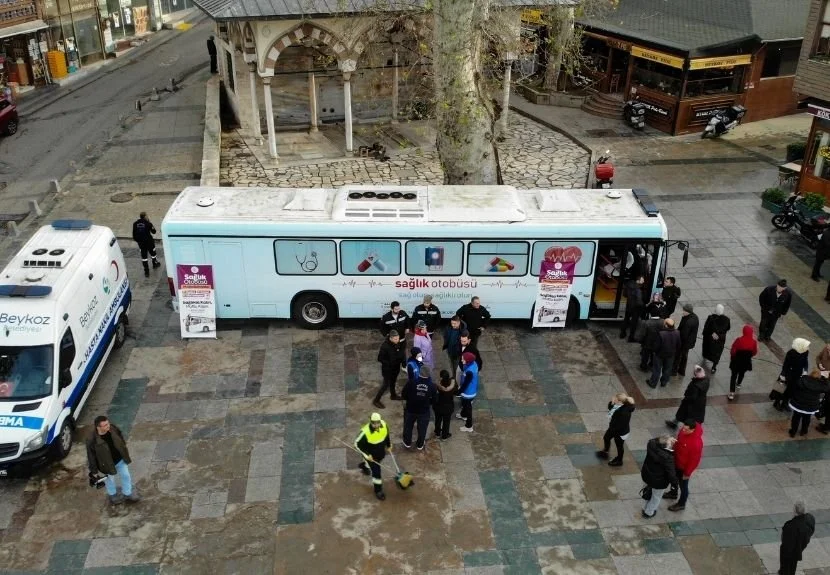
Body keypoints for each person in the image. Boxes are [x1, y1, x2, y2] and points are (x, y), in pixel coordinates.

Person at [86, 416, 140, 505]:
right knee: (109, 480)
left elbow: (120, 435)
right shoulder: (91, 440)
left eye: (108, 423)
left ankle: (127, 492)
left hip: (120, 460)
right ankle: (112, 495)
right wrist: (94, 471)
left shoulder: (113, 428)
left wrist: (123, 446)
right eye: (105, 425)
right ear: (98, 427)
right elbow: (91, 456)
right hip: (106, 464)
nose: (108, 426)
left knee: (126, 475)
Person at [665, 420, 703, 512]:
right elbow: (679, 441)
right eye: (683, 428)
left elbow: (694, 461)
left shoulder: (696, 443)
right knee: (673, 479)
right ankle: (673, 492)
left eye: (686, 430)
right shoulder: (683, 431)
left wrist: (687, 473)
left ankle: (682, 503)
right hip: (676, 461)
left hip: (683, 468)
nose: (683, 431)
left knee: (684, 486)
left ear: (693, 430)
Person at [354, 412, 392, 500]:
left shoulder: (384, 425)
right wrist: (367, 455)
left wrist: (389, 445)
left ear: (380, 421)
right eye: (373, 423)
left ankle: (364, 466)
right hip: (371, 457)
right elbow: (356, 444)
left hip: (380, 453)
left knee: (374, 463)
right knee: (377, 473)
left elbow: (386, 436)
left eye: (377, 422)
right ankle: (378, 490)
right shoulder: (365, 432)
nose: (376, 425)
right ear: (370, 422)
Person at [640, 435, 678, 518]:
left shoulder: (651, 445)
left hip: (647, 475)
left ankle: (644, 507)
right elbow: (671, 474)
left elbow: (654, 440)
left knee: (647, 491)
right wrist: (675, 484)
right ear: (666, 446)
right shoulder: (668, 458)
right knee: (656, 497)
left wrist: (665, 439)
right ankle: (649, 512)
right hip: (659, 482)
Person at [401, 365, 437, 450]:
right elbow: (435, 400)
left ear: (420, 372)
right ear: (429, 374)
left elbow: (404, 394)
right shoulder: (432, 386)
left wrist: (410, 399)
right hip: (424, 411)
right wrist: (428, 403)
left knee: (408, 426)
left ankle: (407, 442)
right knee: (422, 428)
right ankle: (420, 444)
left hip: (410, 409)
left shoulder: (411, 382)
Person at [595, 393, 635, 467]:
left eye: (615, 398)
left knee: (619, 447)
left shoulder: (623, 412)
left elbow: (619, 423)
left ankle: (619, 460)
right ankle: (605, 452)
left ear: (619, 401)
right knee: (606, 438)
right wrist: (612, 402)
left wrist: (612, 403)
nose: (613, 398)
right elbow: (611, 408)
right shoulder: (620, 406)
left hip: (620, 432)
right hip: (614, 428)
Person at [787, 369, 828, 438]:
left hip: (798, 404)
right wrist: (825, 379)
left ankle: (793, 432)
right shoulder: (819, 384)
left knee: (796, 418)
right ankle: (804, 431)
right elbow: (827, 388)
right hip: (810, 406)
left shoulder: (803, 379)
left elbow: (796, 384)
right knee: (807, 418)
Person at [779, 501, 815, 575]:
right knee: (793, 565)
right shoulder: (810, 519)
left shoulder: (790, 526)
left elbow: (785, 542)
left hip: (788, 551)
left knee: (786, 567)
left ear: (795, 511)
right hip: (799, 548)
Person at [776, 338, 811, 411]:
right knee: (782, 389)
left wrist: (805, 370)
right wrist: (783, 375)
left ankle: (785, 403)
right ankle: (777, 402)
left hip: (797, 375)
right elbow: (786, 365)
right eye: (806, 346)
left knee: (791, 390)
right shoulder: (791, 353)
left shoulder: (805, 352)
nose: (808, 348)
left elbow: (805, 361)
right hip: (788, 373)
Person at [374, 330, 405, 408]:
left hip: (396, 367)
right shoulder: (385, 346)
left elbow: (402, 353)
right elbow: (379, 358)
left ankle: (393, 395)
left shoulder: (398, 343)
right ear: (390, 338)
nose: (397, 340)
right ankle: (376, 400)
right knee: (385, 385)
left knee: (393, 382)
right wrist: (389, 363)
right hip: (387, 369)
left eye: (398, 338)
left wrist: (403, 361)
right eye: (395, 339)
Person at [728, 325, 758, 401]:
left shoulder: (739, 340)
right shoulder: (754, 342)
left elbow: (733, 351)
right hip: (745, 362)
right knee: (742, 373)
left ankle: (731, 393)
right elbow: (754, 352)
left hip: (736, 362)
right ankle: (738, 384)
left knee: (733, 376)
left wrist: (733, 356)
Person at [648, 318, 680, 388]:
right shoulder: (677, 332)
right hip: (670, 355)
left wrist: (654, 351)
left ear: (666, 325)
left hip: (660, 355)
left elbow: (656, 346)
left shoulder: (661, 334)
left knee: (657, 369)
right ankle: (664, 382)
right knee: (667, 369)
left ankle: (653, 383)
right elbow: (678, 345)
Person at [701, 304, 731, 374]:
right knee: (717, 353)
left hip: (710, 338)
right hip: (720, 339)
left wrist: (712, 333)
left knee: (707, 348)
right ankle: (714, 367)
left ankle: (705, 356)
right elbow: (728, 328)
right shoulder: (727, 319)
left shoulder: (711, 318)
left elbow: (706, 328)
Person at [132, 211, 161, 278]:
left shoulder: (135, 224)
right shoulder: (148, 223)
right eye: (147, 216)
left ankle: (146, 272)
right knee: (153, 253)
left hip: (141, 244)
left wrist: (139, 241)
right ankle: (154, 263)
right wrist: (149, 222)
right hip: (149, 242)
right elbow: (154, 232)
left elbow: (134, 235)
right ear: (145, 216)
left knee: (144, 258)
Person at [673, 304, 699, 377]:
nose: (682, 312)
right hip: (689, 342)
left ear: (688, 312)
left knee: (678, 356)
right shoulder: (695, 317)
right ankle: (681, 371)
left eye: (684, 311)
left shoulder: (688, 322)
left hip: (684, 343)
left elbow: (683, 335)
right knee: (684, 356)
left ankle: (674, 371)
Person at [457, 352, 479, 432]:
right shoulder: (474, 364)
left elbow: (466, 383)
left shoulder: (469, 371)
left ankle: (469, 426)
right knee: (465, 404)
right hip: (472, 389)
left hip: (468, 392)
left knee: (467, 406)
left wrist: (459, 391)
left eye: (463, 359)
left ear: (468, 361)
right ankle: (463, 415)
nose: (462, 360)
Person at [620, 275, 646, 341]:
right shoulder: (638, 289)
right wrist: (643, 306)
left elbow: (624, 294)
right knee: (634, 323)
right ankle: (631, 337)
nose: (643, 281)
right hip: (636, 308)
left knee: (626, 319)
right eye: (642, 280)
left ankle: (622, 334)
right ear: (638, 280)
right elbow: (639, 301)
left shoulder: (629, 285)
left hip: (629, 305)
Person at [637, 307, 664, 371]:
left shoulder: (646, 323)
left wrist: (640, 341)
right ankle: (652, 364)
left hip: (647, 343)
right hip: (657, 343)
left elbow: (642, 334)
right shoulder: (663, 322)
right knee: (653, 355)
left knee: (645, 356)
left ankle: (644, 366)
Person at [433, 369, 456, 440]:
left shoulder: (437, 385)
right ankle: (444, 436)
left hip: (438, 406)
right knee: (446, 422)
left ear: (441, 377)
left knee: (438, 420)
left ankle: (437, 433)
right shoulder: (452, 385)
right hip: (448, 407)